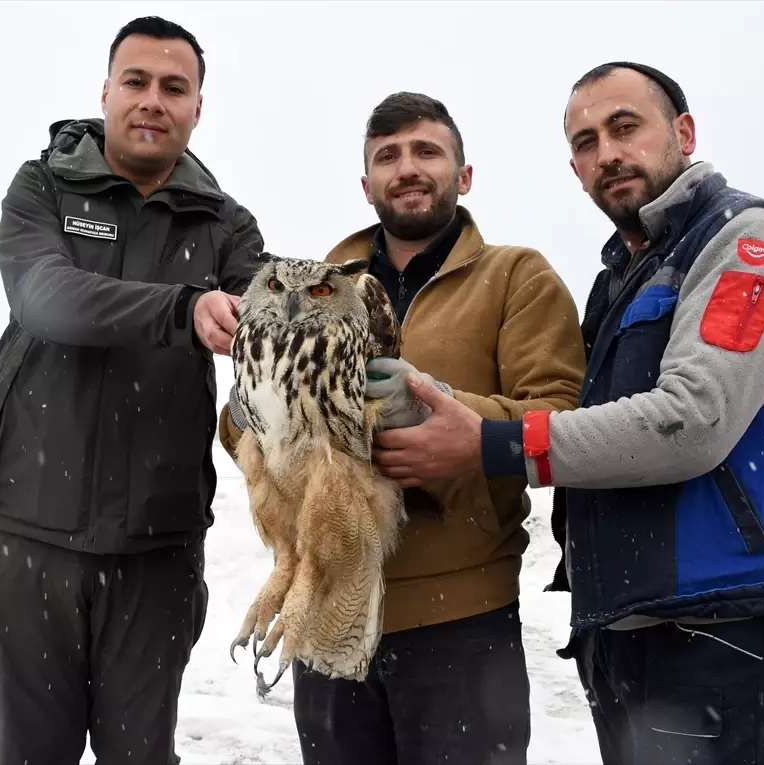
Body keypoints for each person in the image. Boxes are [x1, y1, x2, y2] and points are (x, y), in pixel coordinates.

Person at [371, 63, 764, 764]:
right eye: (585, 141)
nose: (606, 153)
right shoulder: (623, 279)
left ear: (684, 132)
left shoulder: (749, 243)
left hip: (731, 630)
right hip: (633, 629)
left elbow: (693, 418)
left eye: (624, 128)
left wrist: (490, 442)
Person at [218, 92, 586, 765]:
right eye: (387, 156)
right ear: (367, 185)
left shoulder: (516, 277)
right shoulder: (316, 280)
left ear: (464, 175)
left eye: (426, 151)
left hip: (460, 619)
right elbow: (255, 426)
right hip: (329, 598)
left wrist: (448, 411)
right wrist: (246, 408)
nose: (407, 168)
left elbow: (561, 418)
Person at [0, 16, 266, 765]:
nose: (152, 100)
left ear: (198, 108)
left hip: (157, 550)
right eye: (136, 82)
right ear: (105, 93)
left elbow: (275, 315)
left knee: (143, 755)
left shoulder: (223, 225)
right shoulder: (41, 189)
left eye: (174, 87)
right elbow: (48, 298)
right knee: (33, 753)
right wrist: (182, 308)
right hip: (30, 536)